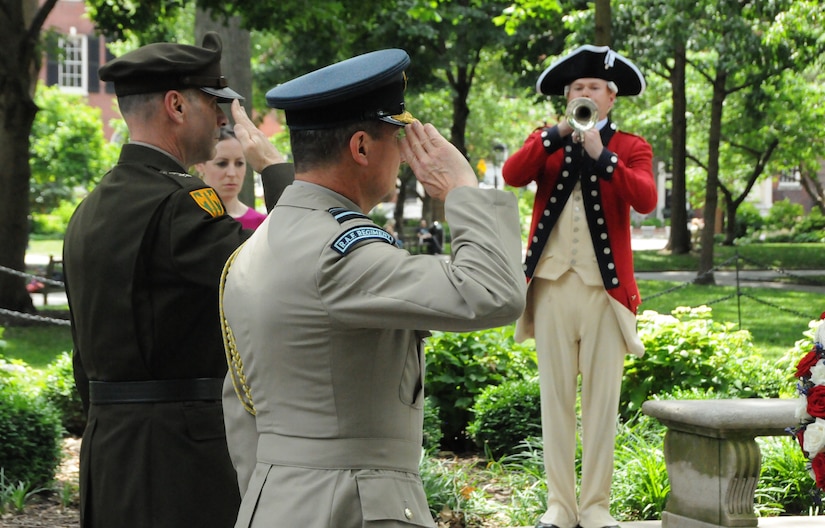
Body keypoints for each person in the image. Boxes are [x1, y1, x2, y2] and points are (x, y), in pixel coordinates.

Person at [219, 48, 526, 528]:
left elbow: (241, 411)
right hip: (352, 504)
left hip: (277, 499)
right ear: (361, 147)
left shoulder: (253, 250)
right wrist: (463, 190)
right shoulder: (339, 253)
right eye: (398, 139)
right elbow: (494, 292)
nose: (406, 155)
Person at [62, 33, 293, 528]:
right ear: (176, 105)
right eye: (215, 104)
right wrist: (274, 170)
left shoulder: (91, 208)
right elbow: (285, 266)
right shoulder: (180, 206)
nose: (224, 119)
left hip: (110, 447)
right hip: (177, 456)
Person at [501, 45, 657, 528]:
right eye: (576, 89)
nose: (583, 94)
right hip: (550, 287)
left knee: (601, 405)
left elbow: (646, 199)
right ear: (565, 98)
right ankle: (559, 507)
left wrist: (603, 158)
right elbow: (512, 174)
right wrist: (558, 134)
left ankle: (596, 508)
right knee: (555, 400)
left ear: (611, 99)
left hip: (605, 293)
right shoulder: (546, 140)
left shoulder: (631, 146)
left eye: (592, 89)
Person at [195, 127, 267, 230]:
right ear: (199, 164)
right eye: (222, 163)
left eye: (239, 163)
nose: (232, 173)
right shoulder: (185, 219)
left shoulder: (261, 224)